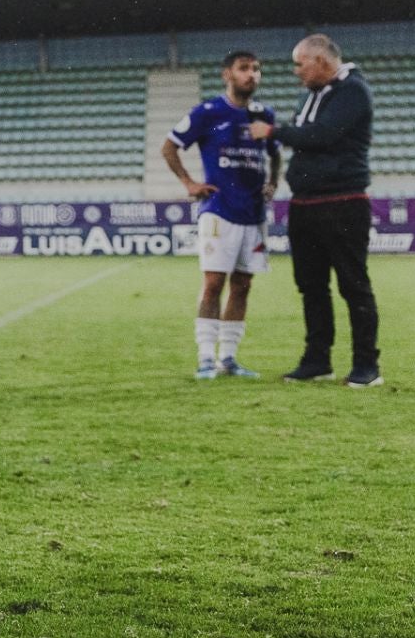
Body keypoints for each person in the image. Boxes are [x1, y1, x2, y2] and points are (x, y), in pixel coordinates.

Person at [250, 34, 381, 388]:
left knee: (353, 285)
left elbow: (322, 136)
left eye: (299, 63)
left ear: (321, 60)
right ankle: (317, 360)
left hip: (343, 201)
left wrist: (272, 132)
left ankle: (367, 365)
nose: (296, 72)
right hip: (305, 203)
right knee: (311, 286)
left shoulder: (353, 91)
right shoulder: (312, 95)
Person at [162, 50, 282, 380]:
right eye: (244, 69)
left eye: (257, 69)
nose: (252, 75)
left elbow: (276, 154)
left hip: (254, 215)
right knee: (214, 282)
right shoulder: (208, 112)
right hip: (219, 211)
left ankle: (228, 358)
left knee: (243, 285)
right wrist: (188, 182)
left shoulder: (264, 115)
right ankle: (205, 357)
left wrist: (273, 182)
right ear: (226, 75)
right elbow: (169, 146)